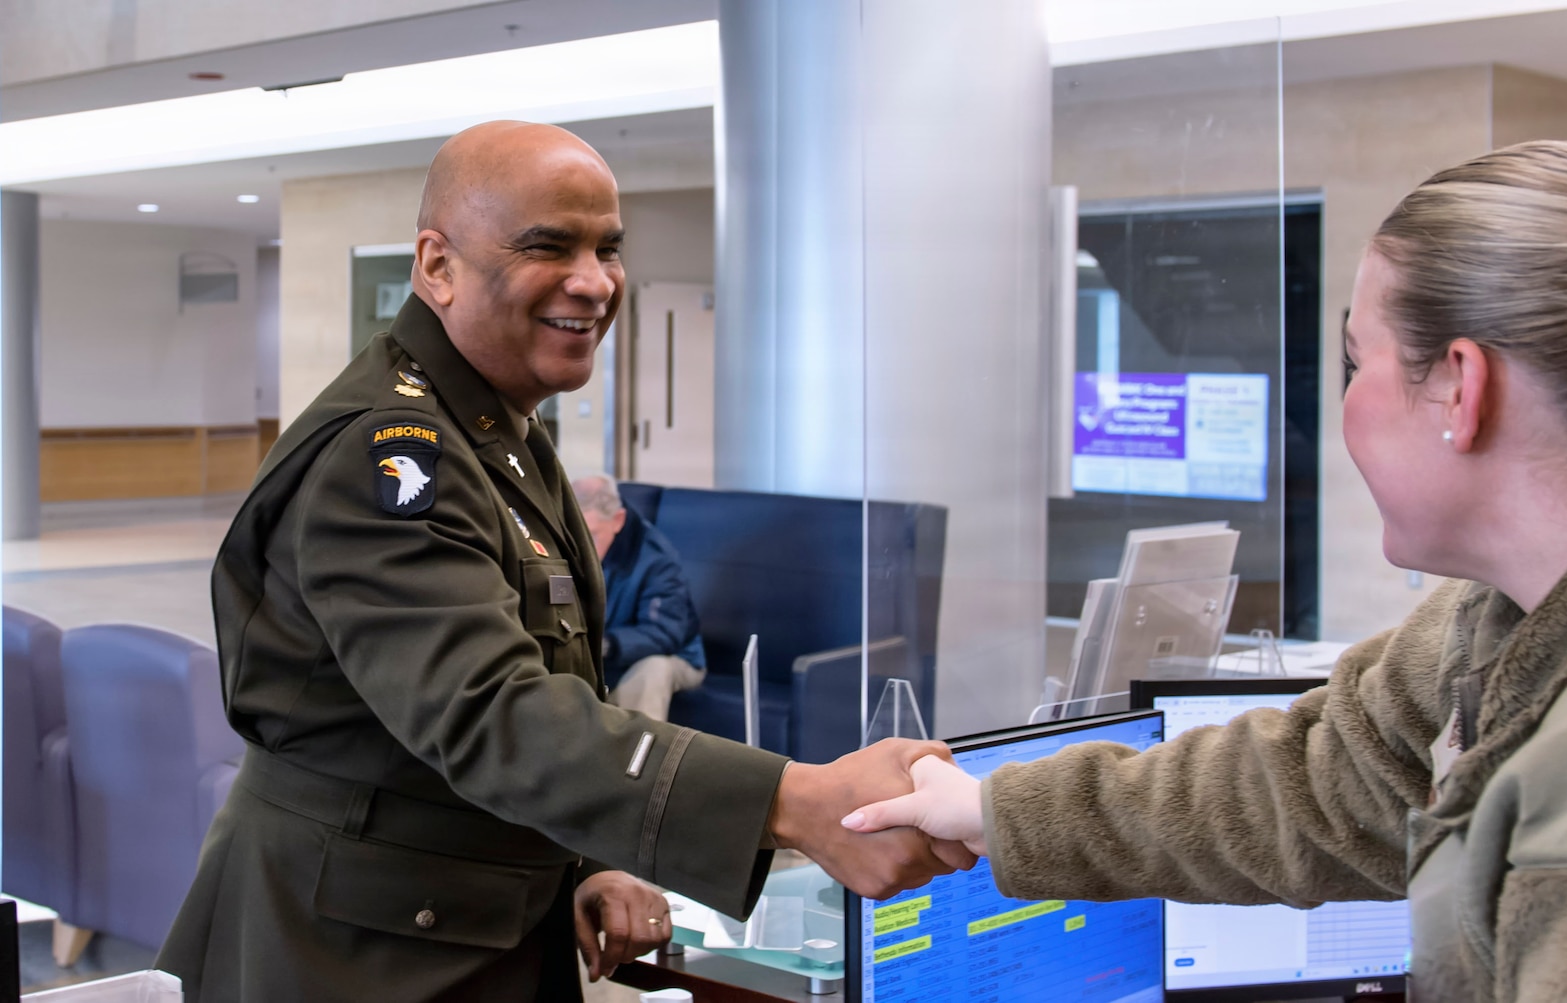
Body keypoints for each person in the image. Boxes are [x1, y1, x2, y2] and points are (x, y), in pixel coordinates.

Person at [849, 140, 1567, 1000]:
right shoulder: (1547, 603)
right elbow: (1325, 780)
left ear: (1460, 386)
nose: (1345, 411)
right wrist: (996, 812)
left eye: (1358, 363)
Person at [157, 121, 971, 1003]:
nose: (594, 281)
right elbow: (491, 714)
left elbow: (530, 688)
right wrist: (795, 799)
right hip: (354, 954)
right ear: (437, 266)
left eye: (608, 248)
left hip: (462, 919)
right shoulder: (393, 455)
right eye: (549, 246)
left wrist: (579, 860)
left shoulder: (502, 428)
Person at [570, 474, 707, 721]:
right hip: (601, 658)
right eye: (573, 536)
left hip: (672, 656)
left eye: (591, 536)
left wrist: (607, 644)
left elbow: (666, 634)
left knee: (653, 669)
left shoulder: (657, 560)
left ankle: (640, 757)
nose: (581, 549)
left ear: (617, 520)